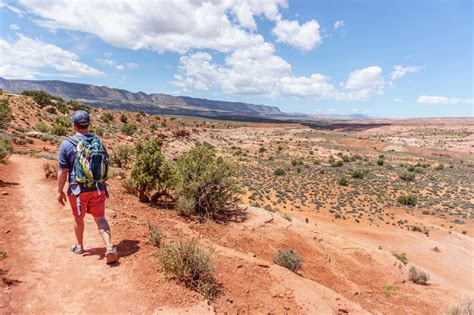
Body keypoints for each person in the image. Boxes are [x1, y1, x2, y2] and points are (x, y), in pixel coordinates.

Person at [57, 110, 118, 264]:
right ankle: (109, 246)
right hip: (98, 188)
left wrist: (60, 191)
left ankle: (79, 246)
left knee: (78, 218)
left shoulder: (67, 144)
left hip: (77, 190)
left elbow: (63, 171)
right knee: (100, 218)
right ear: (89, 124)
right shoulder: (98, 142)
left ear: (74, 125)